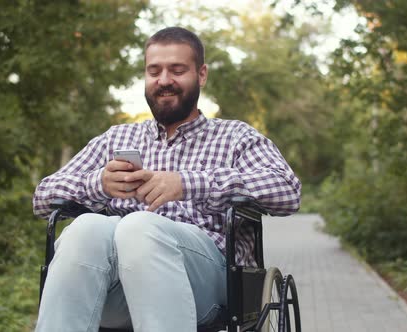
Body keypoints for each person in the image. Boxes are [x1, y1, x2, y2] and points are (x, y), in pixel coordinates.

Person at [33, 27, 301, 332]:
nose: (164, 81)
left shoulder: (234, 136)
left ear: (201, 75)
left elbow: (287, 190)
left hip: (209, 279)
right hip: (117, 285)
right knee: (85, 227)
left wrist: (188, 184)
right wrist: (98, 184)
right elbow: (42, 198)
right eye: (154, 71)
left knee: (139, 225)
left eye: (177, 70)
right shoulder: (117, 138)